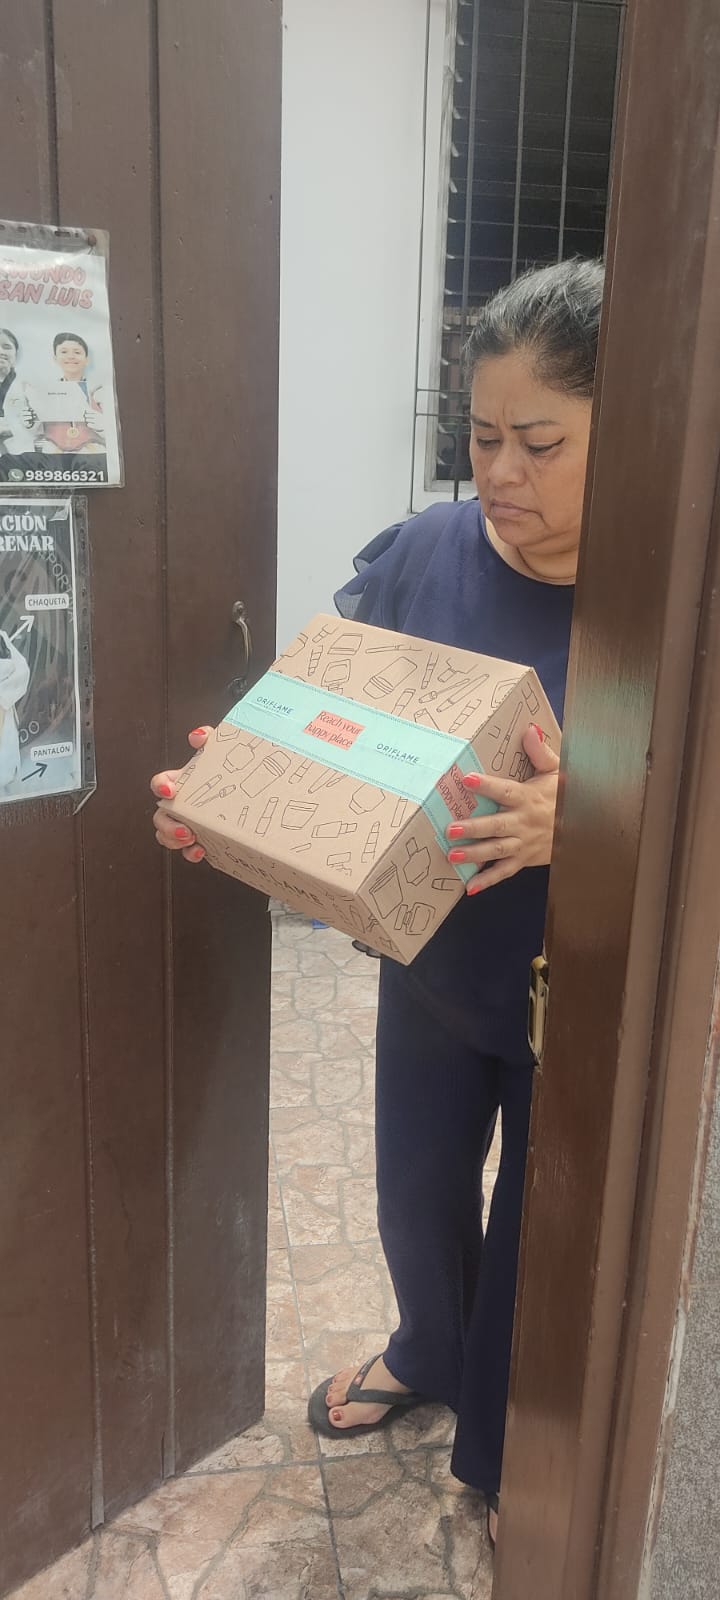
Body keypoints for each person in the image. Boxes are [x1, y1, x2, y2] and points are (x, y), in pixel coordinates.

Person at [150, 258, 603, 1550]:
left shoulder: (667, 600)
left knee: (538, 1230)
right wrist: (234, 785)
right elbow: (329, 725)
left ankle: (510, 1452)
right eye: (481, 435)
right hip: (433, 954)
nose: (499, 472)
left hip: (577, 985)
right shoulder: (429, 550)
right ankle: (427, 1348)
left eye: (540, 444)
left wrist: (590, 825)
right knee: (415, 1183)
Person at [37, 332, 106, 454]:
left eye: (77, 352)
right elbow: (35, 431)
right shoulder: (46, 392)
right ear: (55, 358)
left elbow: (115, 430)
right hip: (53, 453)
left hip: (92, 453)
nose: (71, 356)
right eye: (64, 352)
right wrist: (30, 423)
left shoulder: (100, 391)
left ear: (87, 359)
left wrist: (103, 426)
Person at [0, 329, 41, 456]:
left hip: (19, 455)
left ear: (16, 354)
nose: (1, 352)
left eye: (6, 347)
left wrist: (15, 427)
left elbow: (40, 425)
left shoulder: (29, 386)